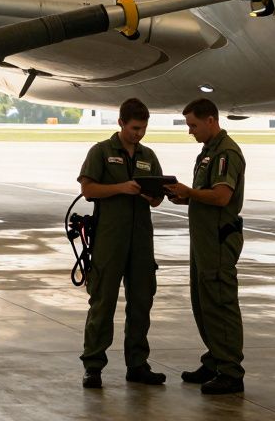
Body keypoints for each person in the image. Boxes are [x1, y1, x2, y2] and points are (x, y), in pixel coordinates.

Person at [77, 98, 166, 389]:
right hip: (109, 240)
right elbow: (88, 189)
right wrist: (121, 188)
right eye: (134, 128)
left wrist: (154, 196)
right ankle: (93, 365)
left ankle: (137, 364)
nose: (139, 134)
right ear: (121, 123)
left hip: (140, 241)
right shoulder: (101, 152)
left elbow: (157, 197)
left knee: (141, 301)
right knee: (102, 302)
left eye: (143, 129)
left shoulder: (148, 155)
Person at [165, 98, 246, 395]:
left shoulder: (225, 153)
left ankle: (231, 372)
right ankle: (215, 360)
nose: (190, 131)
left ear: (210, 120)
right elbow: (206, 195)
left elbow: (222, 197)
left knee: (220, 303)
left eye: (193, 125)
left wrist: (190, 192)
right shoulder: (209, 152)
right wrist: (185, 197)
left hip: (218, 240)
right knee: (203, 303)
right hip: (204, 240)